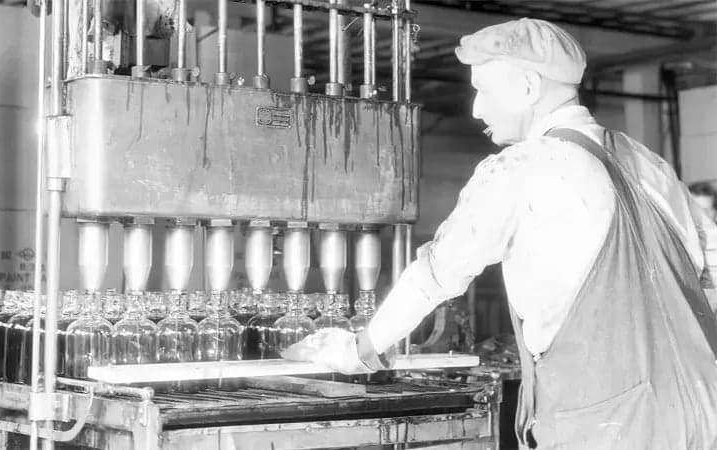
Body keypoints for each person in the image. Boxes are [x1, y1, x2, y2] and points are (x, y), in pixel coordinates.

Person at [283, 18, 717, 449]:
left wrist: (359, 349)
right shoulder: (648, 163)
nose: (476, 109)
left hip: (610, 420)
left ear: (528, 87)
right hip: (705, 405)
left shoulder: (521, 167)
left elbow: (435, 274)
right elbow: (711, 269)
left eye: (484, 90)